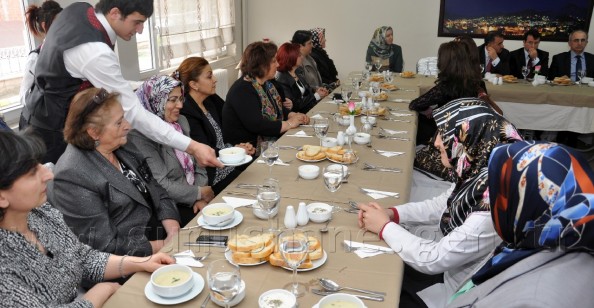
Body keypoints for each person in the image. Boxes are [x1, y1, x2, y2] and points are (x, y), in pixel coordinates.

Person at [358, 98, 522, 308]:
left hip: (459, 292)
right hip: (451, 271)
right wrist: (392, 214)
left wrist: (384, 227)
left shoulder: (492, 206)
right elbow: (441, 205)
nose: (436, 142)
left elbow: (433, 259)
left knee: (377, 280)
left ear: (472, 140)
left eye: (445, 134)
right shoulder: (482, 174)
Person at [23, 0, 220, 168]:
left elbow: (105, 78)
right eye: (137, 22)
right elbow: (134, 113)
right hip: (51, 131)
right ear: (115, 13)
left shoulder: (79, 9)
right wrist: (192, 146)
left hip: (37, 114)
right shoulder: (95, 51)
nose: (141, 30)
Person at [0, 130, 175, 307]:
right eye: (32, 173)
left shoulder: (41, 214)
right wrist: (100, 292)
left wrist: (143, 262)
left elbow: (83, 258)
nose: (48, 175)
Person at [447, 141, 594, 307]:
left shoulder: (535, 299)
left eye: (501, 191)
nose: (494, 199)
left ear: (525, 197)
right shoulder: (544, 235)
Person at [48, 88, 181, 260]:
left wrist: (173, 230)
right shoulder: (72, 175)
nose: (128, 125)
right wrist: (163, 246)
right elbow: (104, 245)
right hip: (129, 260)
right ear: (94, 132)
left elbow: (157, 190)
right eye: (119, 123)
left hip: (161, 236)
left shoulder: (123, 145)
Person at [128, 75, 214, 226]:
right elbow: (162, 183)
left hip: (196, 195)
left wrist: (200, 194)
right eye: (173, 100)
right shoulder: (140, 136)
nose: (180, 105)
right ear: (156, 101)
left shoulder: (181, 121)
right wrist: (198, 194)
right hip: (170, 207)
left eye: (181, 99)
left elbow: (198, 162)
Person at [177, 57, 255, 194]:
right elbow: (205, 151)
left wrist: (240, 146)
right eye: (209, 76)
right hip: (213, 176)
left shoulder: (210, 100)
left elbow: (231, 125)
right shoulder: (187, 112)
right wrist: (235, 150)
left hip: (227, 164)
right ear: (194, 85)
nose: (215, 79)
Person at [223, 41, 309, 149]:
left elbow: (278, 108)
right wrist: (289, 124)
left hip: (272, 141)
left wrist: (293, 115)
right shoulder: (242, 90)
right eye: (274, 61)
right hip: (248, 151)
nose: (278, 65)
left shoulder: (267, 84)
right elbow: (258, 125)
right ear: (261, 65)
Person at [18, 0, 63, 130]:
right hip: (35, 126)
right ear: (44, 25)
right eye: (57, 23)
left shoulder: (67, 53)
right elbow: (23, 96)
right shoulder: (35, 57)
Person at [275, 42, 323, 114]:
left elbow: (307, 91)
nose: (302, 57)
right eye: (299, 55)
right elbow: (293, 105)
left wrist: (316, 90)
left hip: (309, 110)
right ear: (291, 57)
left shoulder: (298, 71)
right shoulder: (282, 79)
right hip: (298, 116)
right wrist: (316, 96)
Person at [291, 30, 330, 98]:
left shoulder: (310, 58)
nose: (312, 45)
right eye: (310, 43)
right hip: (311, 102)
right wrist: (316, 91)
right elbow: (305, 88)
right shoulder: (296, 64)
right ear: (300, 46)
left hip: (318, 98)